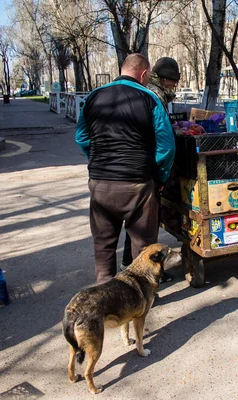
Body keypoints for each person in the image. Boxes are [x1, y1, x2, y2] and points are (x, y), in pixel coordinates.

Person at [75, 53, 176, 285]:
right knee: (143, 247)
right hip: (138, 185)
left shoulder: (93, 97)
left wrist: (98, 161)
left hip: (101, 184)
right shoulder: (150, 99)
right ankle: (140, 296)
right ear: (143, 73)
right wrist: (160, 176)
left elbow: (81, 137)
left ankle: (105, 293)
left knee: (103, 245)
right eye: (149, 74)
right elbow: (166, 146)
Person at [120, 57, 181, 279]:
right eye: (174, 82)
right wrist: (161, 174)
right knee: (144, 225)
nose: (175, 86)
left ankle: (128, 263)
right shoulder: (155, 96)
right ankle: (144, 273)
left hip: (126, 167)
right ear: (165, 79)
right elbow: (163, 140)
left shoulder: (150, 92)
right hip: (146, 168)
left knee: (135, 223)